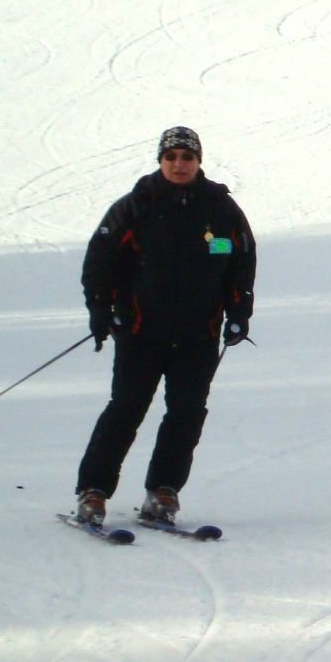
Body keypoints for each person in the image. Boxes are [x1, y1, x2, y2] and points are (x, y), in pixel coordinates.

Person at [74, 126, 256, 526]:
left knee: (187, 414)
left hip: (199, 335)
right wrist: (101, 309)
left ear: (198, 162)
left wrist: (239, 312)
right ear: (160, 161)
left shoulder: (221, 211)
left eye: (186, 158)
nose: (179, 164)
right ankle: (93, 492)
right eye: (171, 157)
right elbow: (100, 260)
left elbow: (239, 260)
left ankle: (162, 492)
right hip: (141, 332)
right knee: (126, 411)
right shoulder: (136, 206)